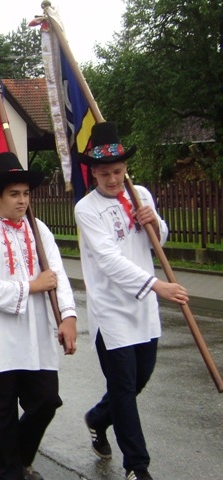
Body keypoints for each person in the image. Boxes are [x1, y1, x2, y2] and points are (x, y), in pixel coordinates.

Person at [74, 122, 189, 480]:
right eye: (105, 173)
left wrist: (155, 222)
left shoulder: (140, 194)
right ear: (93, 173)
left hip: (143, 308)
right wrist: (157, 286)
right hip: (112, 310)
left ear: (125, 169)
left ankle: (97, 417)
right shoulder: (86, 209)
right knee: (123, 389)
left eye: (118, 172)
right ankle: (137, 466)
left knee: (139, 379)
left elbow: (159, 240)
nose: (113, 180)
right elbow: (109, 260)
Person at [0, 152, 78, 480]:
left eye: (26, 193)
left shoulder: (39, 230)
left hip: (35, 338)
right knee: (0, 420)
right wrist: (31, 286)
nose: (22, 200)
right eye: (14, 194)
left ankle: (19, 459)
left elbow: (57, 275)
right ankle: (10, 471)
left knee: (46, 401)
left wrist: (68, 316)